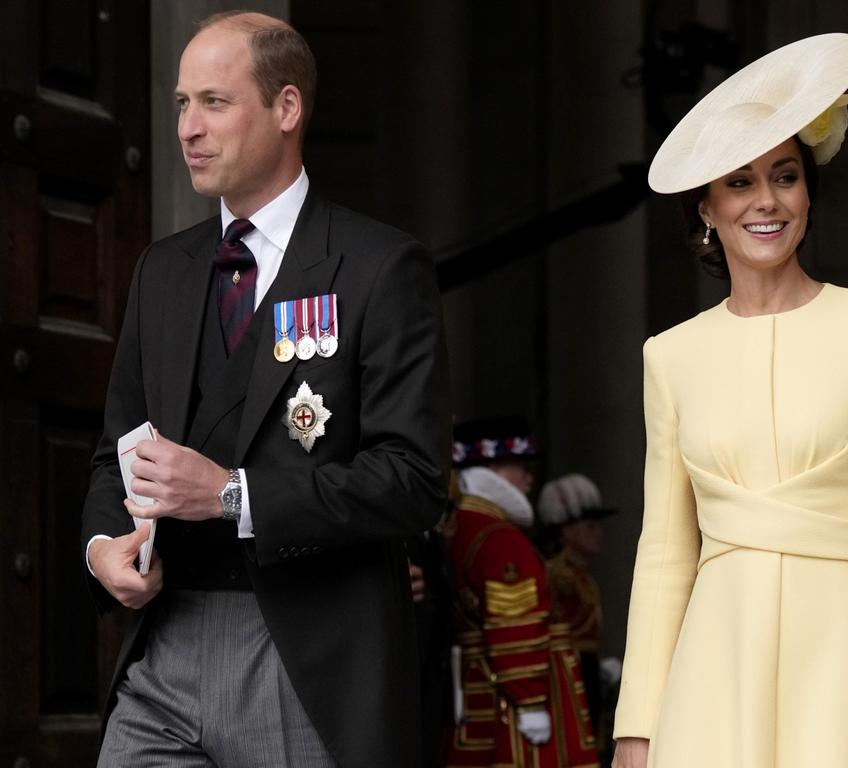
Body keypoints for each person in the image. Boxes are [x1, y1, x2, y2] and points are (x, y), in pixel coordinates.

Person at [80, 11, 450, 768]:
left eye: (214, 102)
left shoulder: (379, 266)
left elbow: (413, 481)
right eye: (182, 103)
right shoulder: (163, 269)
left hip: (305, 660)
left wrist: (234, 496)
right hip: (163, 652)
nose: (188, 127)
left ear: (287, 108)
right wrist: (100, 549)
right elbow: (109, 455)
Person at [611, 33, 848, 768]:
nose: (767, 200)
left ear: (808, 193)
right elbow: (664, 553)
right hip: (714, 665)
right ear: (706, 212)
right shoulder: (670, 356)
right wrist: (637, 729)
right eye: (740, 183)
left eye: (785, 176)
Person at [443, 418, 598, 768]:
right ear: (494, 467)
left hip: (478, 688)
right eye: (521, 467)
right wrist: (529, 702)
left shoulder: (462, 526)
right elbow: (514, 625)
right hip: (512, 706)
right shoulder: (499, 537)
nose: (529, 478)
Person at [537, 474, 615, 745]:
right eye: (589, 525)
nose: (598, 532)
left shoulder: (581, 575)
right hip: (567, 672)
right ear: (566, 530)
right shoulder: (557, 574)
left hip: (587, 668)